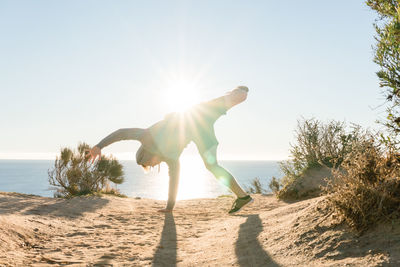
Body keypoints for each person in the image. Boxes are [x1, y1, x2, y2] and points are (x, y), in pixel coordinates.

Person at [86, 86, 253, 214]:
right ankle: (243, 197)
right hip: (200, 129)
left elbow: (122, 133)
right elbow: (174, 181)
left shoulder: (147, 137)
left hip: (194, 118)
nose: (153, 165)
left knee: (229, 100)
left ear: (146, 156)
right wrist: (169, 207)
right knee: (212, 166)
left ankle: (236, 93)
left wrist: (99, 146)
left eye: (149, 164)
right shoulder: (168, 156)